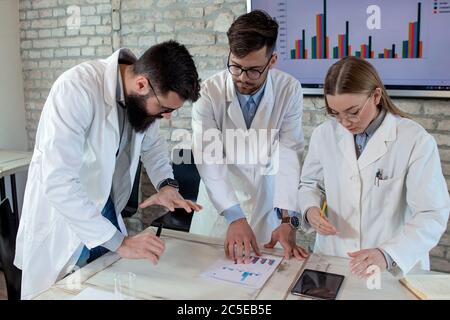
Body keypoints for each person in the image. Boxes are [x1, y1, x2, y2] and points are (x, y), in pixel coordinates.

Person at [14, 41, 202, 299]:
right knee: (61, 292)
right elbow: (58, 181)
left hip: (105, 215)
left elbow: (154, 147)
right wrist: (121, 243)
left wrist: (167, 185)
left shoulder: (143, 101)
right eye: (165, 109)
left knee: (105, 287)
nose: (167, 116)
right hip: (66, 220)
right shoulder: (76, 89)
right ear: (141, 84)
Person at [298, 56, 450, 278]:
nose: (345, 122)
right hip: (335, 258)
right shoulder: (324, 135)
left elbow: (431, 214)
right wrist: (311, 210)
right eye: (335, 113)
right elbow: (310, 184)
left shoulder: (414, 139)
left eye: (353, 111)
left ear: (376, 96)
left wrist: (387, 254)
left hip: (392, 268)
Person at [190, 10, 308, 263]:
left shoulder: (289, 90)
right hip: (219, 212)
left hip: (265, 207)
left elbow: (289, 155)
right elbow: (209, 159)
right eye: (236, 67)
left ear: (272, 60)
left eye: (253, 70)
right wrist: (234, 215)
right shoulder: (209, 92)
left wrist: (288, 220)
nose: (242, 78)